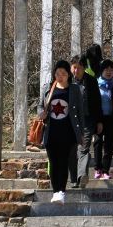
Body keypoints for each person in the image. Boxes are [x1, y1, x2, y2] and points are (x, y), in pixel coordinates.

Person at [38, 59, 84, 204]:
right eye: (57, 73)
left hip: (68, 131)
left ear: (68, 74)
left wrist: (82, 132)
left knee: (63, 161)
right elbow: (40, 106)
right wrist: (41, 114)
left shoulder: (75, 89)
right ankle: (55, 191)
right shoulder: (47, 88)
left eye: (63, 73)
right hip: (51, 131)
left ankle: (61, 192)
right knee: (53, 162)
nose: (60, 76)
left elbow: (81, 112)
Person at [69, 55, 103, 188]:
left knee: (83, 148)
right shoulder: (67, 81)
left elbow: (97, 102)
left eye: (79, 68)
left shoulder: (91, 81)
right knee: (72, 150)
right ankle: (74, 179)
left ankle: (82, 175)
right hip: (70, 121)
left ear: (84, 68)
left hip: (87, 120)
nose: (76, 71)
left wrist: (99, 121)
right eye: (74, 68)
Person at [94, 59, 113, 179]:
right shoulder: (95, 84)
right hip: (99, 119)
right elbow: (93, 104)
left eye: (111, 70)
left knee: (109, 145)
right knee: (98, 143)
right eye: (106, 69)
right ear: (102, 70)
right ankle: (97, 168)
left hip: (112, 118)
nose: (109, 72)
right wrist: (96, 120)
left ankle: (106, 170)